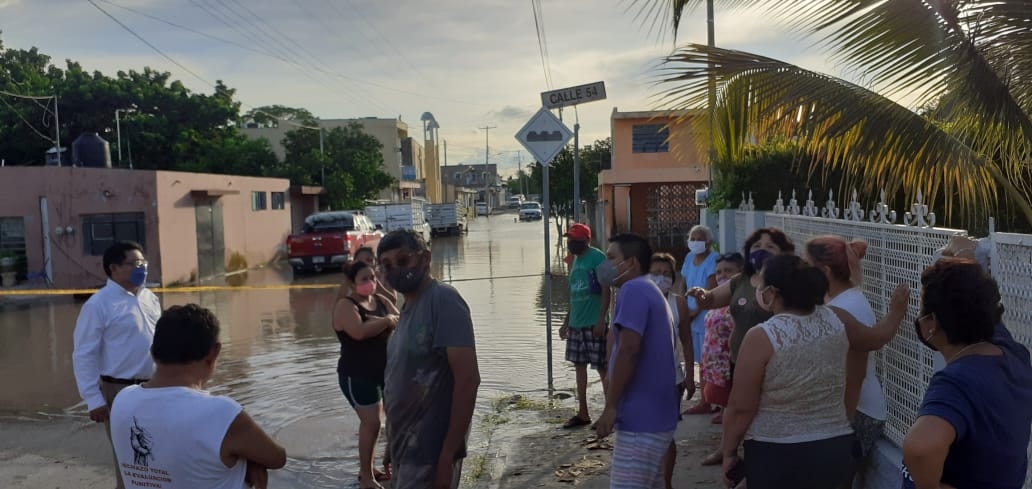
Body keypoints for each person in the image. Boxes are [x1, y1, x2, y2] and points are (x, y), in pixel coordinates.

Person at [719, 255, 910, 488]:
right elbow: (875, 339)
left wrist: (729, 452)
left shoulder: (762, 337)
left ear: (771, 293)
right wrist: (896, 312)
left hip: (776, 451)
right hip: (833, 448)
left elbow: (741, 407)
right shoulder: (837, 319)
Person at [110, 304, 287, 489]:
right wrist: (250, 462)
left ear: (153, 351)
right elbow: (276, 457)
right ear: (214, 353)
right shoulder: (221, 413)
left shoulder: (123, 401)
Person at [902, 259, 1032, 489]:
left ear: (932, 322)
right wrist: (961, 253)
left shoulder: (957, 381)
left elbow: (920, 448)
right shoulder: (1012, 353)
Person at [377, 229, 480, 489]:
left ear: (425, 259)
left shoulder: (443, 300)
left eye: (403, 260)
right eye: (387, 265)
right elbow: (400, 382)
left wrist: (448, 455)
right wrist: (392, 441)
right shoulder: (406, 312)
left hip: (431, 453)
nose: (395, 270)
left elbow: (468, 381)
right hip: (406, 448)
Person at [687, 228, 794, 467]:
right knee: (735, 408)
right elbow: (711, 299)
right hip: (740, 359)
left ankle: (756, 457)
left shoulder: (789, 283)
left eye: (769, 247)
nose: (761, 251)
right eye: (756, 247)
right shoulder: (741, 281)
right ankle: (727, 450)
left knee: (761, 411)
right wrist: (701, 294)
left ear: (783, 254)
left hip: (775, 362)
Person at [594, 233, 682, 489]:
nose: (606, 264)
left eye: (611, 257)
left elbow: (629, 349)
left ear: (631, 263)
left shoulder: (633, 290)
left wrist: (611, 406)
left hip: (642, 422)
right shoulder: (648, 289)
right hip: (654, 418)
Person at [72, 241, 162, 489]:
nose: (142, 268)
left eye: (143, 262)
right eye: (135, 264)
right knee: (132, 461)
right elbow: (83, 354)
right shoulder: (98, 305)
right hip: (120, 392)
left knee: (161, 456)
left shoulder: (149, 298)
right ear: (113, 268)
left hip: (156, 388)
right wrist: (93, 398)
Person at [805, 236, 886, 485]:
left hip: (856, 413)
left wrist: (841, 428)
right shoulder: (842, 300)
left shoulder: (848, 308)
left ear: (826, 271)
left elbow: (855, 376)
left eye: (809, 266)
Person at [333, 260, 400, 489]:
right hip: (356, 375)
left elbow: (399, 319)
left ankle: (370, 468)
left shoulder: (379, 300)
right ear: (352, 283)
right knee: (371, 424)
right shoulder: (346, 305)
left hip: (381, 373)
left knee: (376, 424)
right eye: (364, 279)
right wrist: (385, 322)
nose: (370, 283)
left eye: (372, 277)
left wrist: (381, 290)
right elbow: (359, 332)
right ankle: (366, 477)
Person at [558, 223, 611, 428]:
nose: (572, 244)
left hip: (593, 323)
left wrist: (601, 319)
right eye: (570, 240)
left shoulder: (598, 258)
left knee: (602, 368)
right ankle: (583, 412)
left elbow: (607, 290)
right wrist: (565, 323)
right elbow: (574, 295)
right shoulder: (574, 261)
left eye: (576, 240)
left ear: (587, 240)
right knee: (579, 368)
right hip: (576, 324)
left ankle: (610, 412)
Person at [649, 253, 693, 489]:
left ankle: (667, 483)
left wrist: (690, 377)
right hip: (641, 379)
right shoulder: (638, 301)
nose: (661, 278)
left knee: (666, 434)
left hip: (671, 378)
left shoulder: (679, 303)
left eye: (666, 274)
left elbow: (686, 340)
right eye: (656, 273)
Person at [702, 252, 745, 426]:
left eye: (728, 271)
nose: (722, 276)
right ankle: (722, 411)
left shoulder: (740, 302)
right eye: (719, 272)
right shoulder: (716, 299)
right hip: (715, 362)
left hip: (729, 361)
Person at [680, 225, 719, 415]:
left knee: (709, 360)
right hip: (690, 315)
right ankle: (706, 399)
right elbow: (683, 282)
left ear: (708, 242)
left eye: (699, 238)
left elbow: (711, 289)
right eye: (692, 238)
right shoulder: (688, 258)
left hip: (705, 315)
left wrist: (694, 312)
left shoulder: (713, 260)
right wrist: (681, 306)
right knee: (700, 361)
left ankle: (709, 401)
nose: (695, 242)